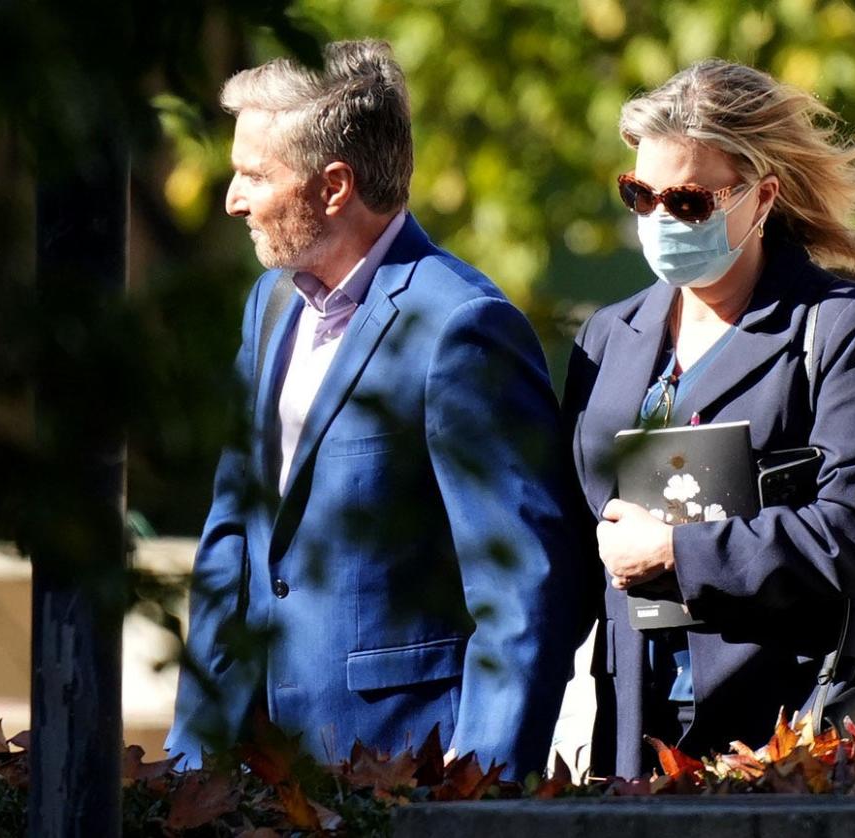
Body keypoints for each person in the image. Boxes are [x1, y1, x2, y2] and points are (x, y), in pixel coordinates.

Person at [166, 40, 584, 778]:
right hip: (259, 773)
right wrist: (192, 762)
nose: (232, 198)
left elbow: (523, 583)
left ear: (334, 186)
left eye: (254, 175)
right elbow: (231, 537)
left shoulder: (461, 326)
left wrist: (479, 788)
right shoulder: (267, 306)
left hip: (405, 769)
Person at [562, 59, 855, 778]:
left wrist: (679, 553)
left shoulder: (839, 327)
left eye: (690, 203)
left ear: (761, 198)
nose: (661, 220)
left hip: (782, 721)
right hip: (633, 719)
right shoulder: (610, 335)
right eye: (640, 195)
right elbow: (568, 538)